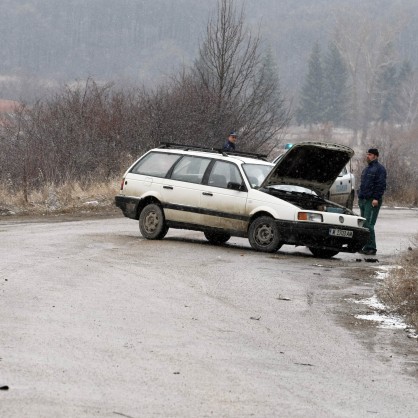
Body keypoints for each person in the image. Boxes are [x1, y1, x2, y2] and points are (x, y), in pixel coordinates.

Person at [357, 148, 387, 256]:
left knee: (369, 224)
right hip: (363, 199)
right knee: (364, 225)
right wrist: (359, 195)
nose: (367, 156)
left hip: (372, 200)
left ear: (375, 156)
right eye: (367, 154)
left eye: (369, 154)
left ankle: (372, 248)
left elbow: (381, 185)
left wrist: (376, 198)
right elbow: (363, 184)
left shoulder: (380, 169)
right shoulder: (366, 169)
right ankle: (365, 246)